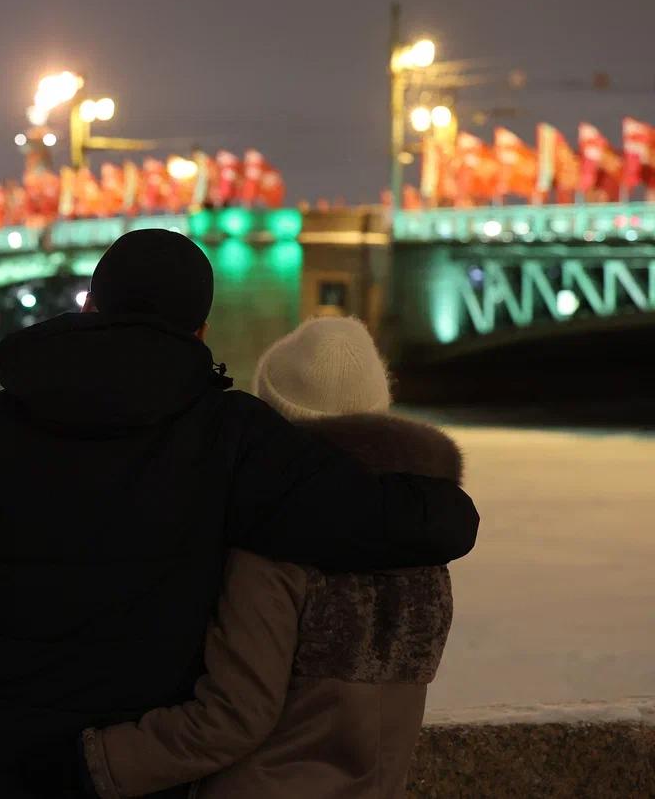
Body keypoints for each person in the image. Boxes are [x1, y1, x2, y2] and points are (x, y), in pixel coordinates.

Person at [0, 229, 479, 798]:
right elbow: (383, 521)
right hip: (144, 778)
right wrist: (442, 497)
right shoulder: (234, 436)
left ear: (90, 307)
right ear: (201, 332)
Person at [81, 317, 462, 799]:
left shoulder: (278, 542)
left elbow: (234, 717)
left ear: (274, 417)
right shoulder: (422, 543)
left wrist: (103, 761)